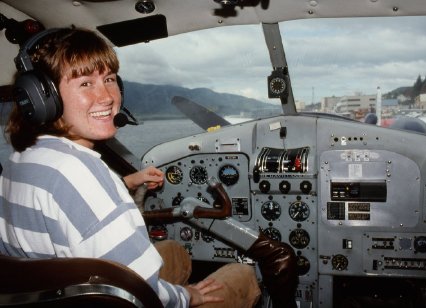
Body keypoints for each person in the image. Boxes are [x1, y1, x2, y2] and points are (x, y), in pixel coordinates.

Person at [0, 27, 260, 307]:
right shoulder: (78, 172)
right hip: (121, 299)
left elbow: (73, 209)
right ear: (43, 97)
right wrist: (189, 296)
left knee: (174, 251)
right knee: (244, 274)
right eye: (86, 83)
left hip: (54, 293)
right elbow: (139, 291)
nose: (107, 96)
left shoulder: (22, 159)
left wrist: (129, 182)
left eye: (109, 79)